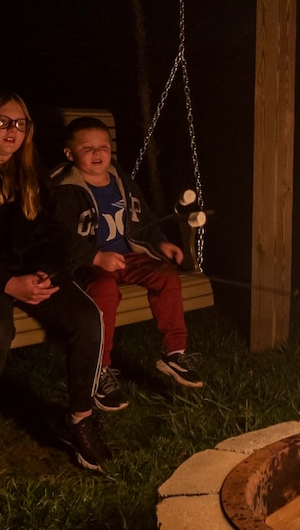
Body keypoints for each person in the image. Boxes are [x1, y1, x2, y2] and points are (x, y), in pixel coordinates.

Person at [0, 93, 112, 485]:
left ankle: (79, 418)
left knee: (86, 317)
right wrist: (7, 282)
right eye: (3, 122)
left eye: (21, 124)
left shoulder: (31, 176)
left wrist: (47, 270)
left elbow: (51, 234)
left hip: (27, 273)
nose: (13, 130)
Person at [51, 116, 202, 411]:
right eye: (88, 148)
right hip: (87, 263)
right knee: (105, 290)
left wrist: (160, 243)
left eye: (104, 147)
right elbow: (59, 236)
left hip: (127, 255)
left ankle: (174, 352)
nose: (98, 154)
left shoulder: (119, 178)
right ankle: (101, 370)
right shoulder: (64, 188)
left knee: (166, 276)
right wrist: (95, 257)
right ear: (70, 154)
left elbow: (143, 218)